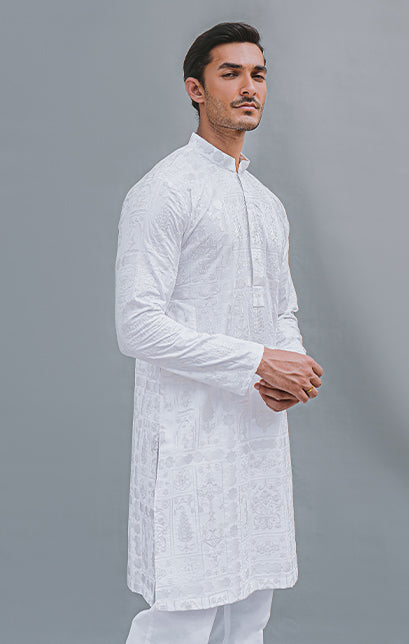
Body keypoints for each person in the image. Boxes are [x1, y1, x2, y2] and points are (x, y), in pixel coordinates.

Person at [115, 21, 323, 644]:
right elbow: (138, 326)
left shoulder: (266, 203)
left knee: (250, 615)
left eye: (258, 74)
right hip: (189, 435)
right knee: (184, 614)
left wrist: (290, 371)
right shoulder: (164, 190)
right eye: (230, 73)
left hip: (257, 432)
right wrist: (258, 362)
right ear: (196, 89)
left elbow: (283, 310)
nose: (248, 87)